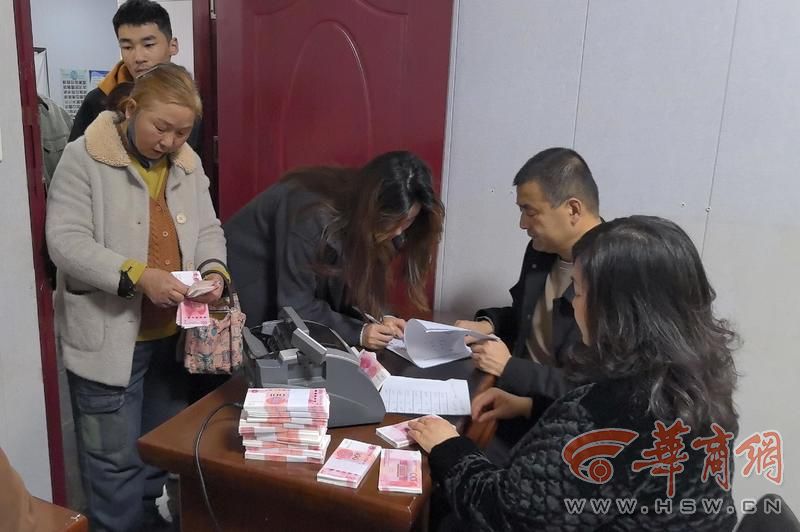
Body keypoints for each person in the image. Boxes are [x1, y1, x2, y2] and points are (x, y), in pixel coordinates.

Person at [409, 216, 739, 531]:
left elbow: (503, 514)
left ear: (617, 312)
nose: (573, 304)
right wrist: (528, 406)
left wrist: (448, 447)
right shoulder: (698, 382)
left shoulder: (608, 416)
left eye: (578, 292)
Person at [46, 63, 226, 532]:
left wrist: (214, 272)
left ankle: (148, 522)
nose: (169, 142)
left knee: (155, 453)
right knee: (113, 463)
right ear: (130, 110)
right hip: (109, 341)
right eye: (160, 127)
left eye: (182, 132)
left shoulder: (187, 163)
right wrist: (139, 276)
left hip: (170, 338)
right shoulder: (84, 158)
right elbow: (65, 242)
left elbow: (208, 229)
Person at [224, 151, 445, 349]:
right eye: (392, 222)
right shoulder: (309, 215)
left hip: (283, 293)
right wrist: (358, 332)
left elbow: (353, 281)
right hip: (242, 289)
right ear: (371, 207)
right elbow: (296, 307)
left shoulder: (373, 216)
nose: (398, 232)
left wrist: (379, 316)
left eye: (408, 221)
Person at [456, 148, 601, 409]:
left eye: (530, 212)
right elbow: (528, 316)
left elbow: (595, 390)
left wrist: (510, 368)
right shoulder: (540, 252)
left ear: (573, 209)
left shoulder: (615, 270)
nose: (522, 224)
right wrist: (488, 325)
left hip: (557, 416)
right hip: (514, 399)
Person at [68, 0, 199, 151]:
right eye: (127, 47)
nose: (138, 57)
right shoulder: (97, 101)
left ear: (173, 46)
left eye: (148, 45)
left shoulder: (189, 99)